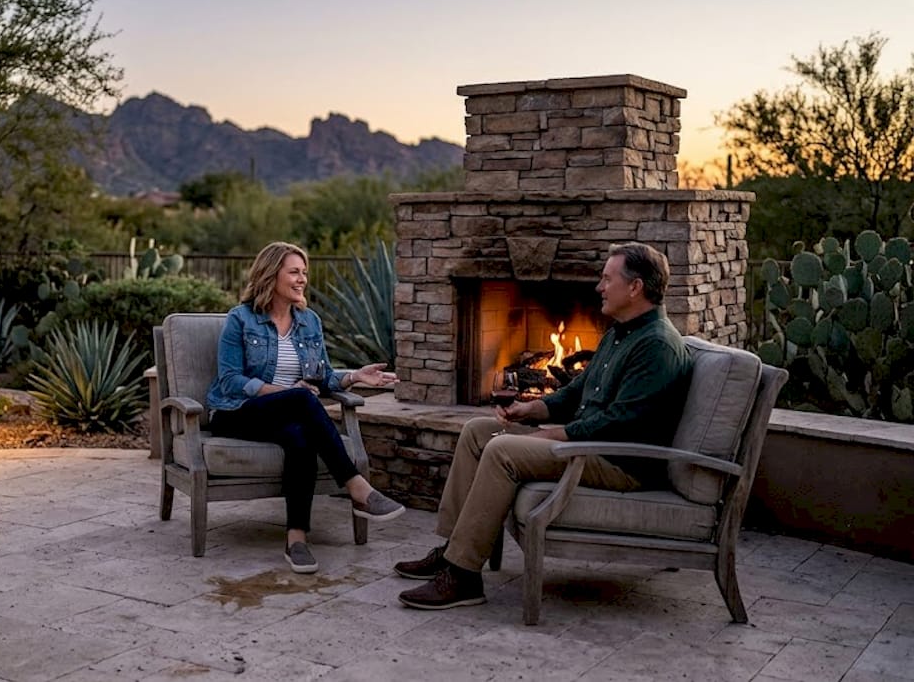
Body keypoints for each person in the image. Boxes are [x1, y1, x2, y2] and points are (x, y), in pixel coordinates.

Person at [394, 242, 692, 609]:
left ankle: (463, 576)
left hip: (618, 462)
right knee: (477, 431)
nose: (599, 287)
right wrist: (533, 409)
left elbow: (623, 421)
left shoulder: (656, 345)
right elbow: (578, 390)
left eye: (606, 279)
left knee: (502, 450)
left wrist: (561, 434)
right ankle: (453, 549)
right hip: (591, 445)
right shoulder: (621, 331)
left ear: (635, 288)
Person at [206, 241, 405, 574]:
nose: (302, 280)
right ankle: (357, 487)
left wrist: (356, 376)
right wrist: (284, 392)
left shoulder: (309, 322)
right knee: (301, 398)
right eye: (294, 272)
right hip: (237, 412)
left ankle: (296, 540)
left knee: (300, 436)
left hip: (287, 414)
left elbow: (322, 376)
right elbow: (230, 381)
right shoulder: (240, 319)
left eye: (304, 273)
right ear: (272, 274)